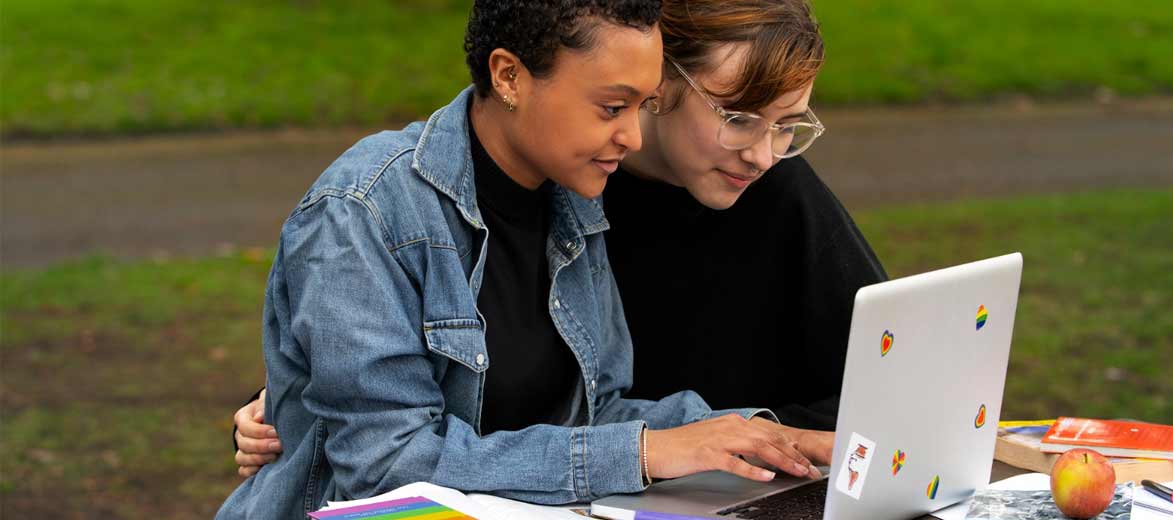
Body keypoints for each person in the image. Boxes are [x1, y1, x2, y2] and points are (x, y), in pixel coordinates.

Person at [218, 2, 831, 517]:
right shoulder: (363, 210)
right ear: (509, 77)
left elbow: (597, 413)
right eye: (612, 108)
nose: (635, 138)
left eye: (640, 107)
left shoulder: (570, 202)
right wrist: (645, 452)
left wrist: (763, 434)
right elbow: (387, 467)